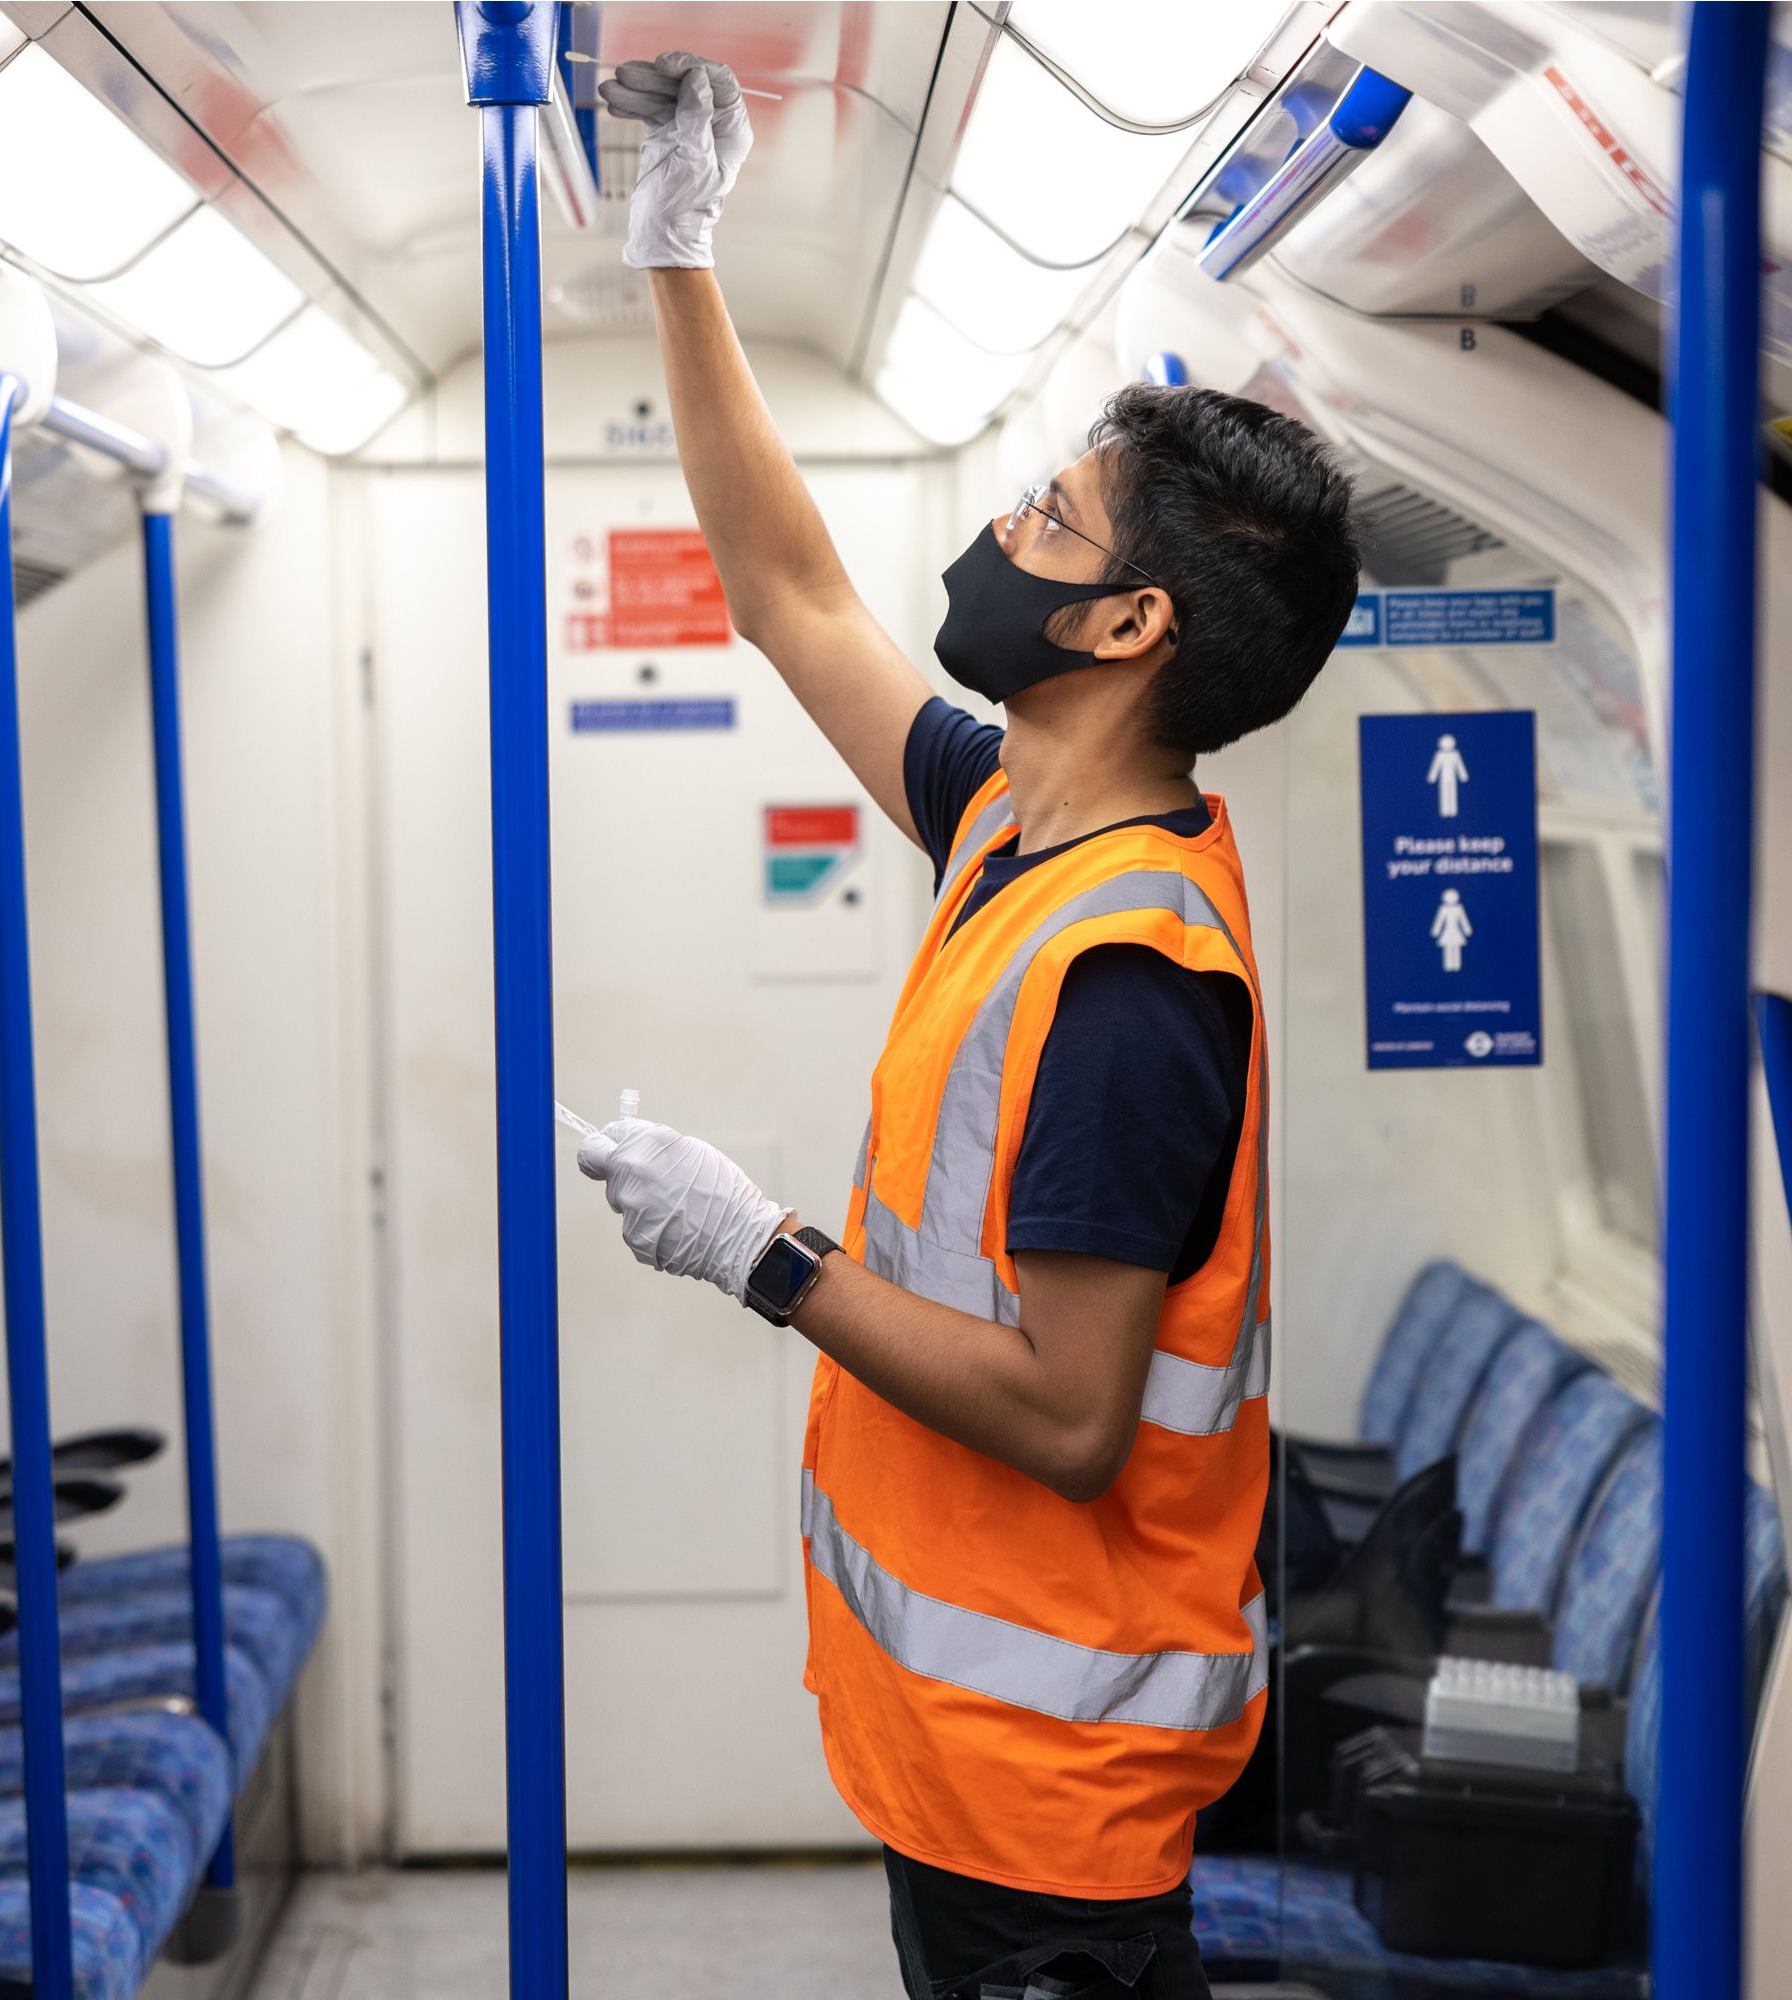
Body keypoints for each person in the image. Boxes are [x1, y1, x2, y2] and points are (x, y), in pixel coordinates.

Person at [570, 53, 1362, 2000]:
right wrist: (683, 257)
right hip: (982, 1769)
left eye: (1048, 516)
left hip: (1056, 1802)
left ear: (1125, 629)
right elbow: (788, 591)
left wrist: (757, 1250)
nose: (1001, 532)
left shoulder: (1125, 982)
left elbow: (1075, 1418)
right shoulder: (1020, 817)